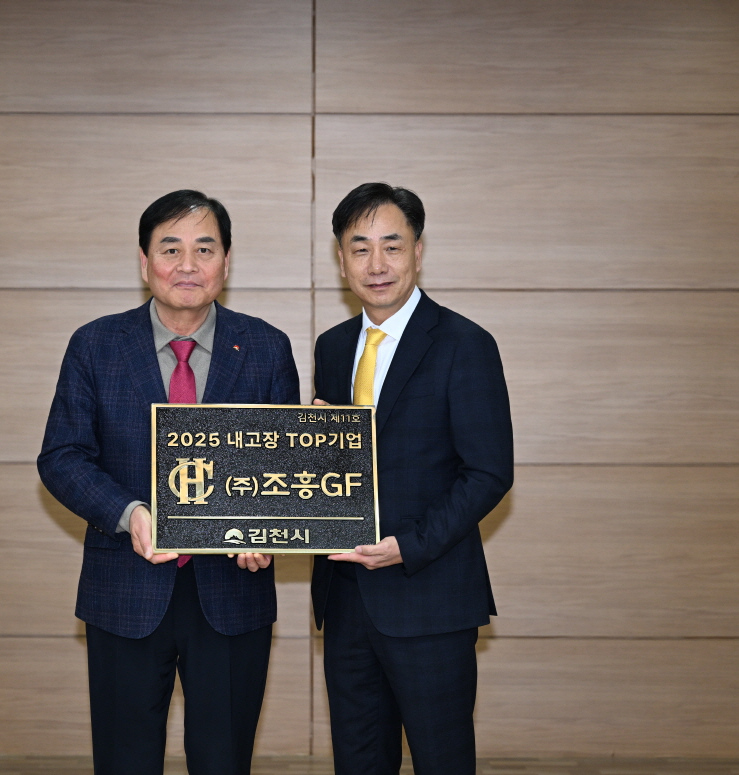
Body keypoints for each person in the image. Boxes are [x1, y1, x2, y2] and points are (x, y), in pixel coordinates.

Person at [38, 190, 300, 775]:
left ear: (226, 261)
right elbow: (62, 457)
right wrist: (129, 512)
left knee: (224, 761)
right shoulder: (95, 345)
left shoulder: (266, 347)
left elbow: (281, 471)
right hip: (125, 589)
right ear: (144, 261)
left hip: (232, 593)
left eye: (204, 249)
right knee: (125, 761)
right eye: (170, 249)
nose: (187, 265)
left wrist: (268, 529)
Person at [311, 182, 513, 775]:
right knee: (358, 762)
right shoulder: (332, 347)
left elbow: (487, 472)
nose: (377, 264)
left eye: (392, 246)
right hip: (346, 600)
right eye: (360, 248)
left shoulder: (464, 343)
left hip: (430, 598)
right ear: (341, 260)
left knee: (441, 760)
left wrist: (408, 546)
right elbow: (336, 471)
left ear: (418, 252)